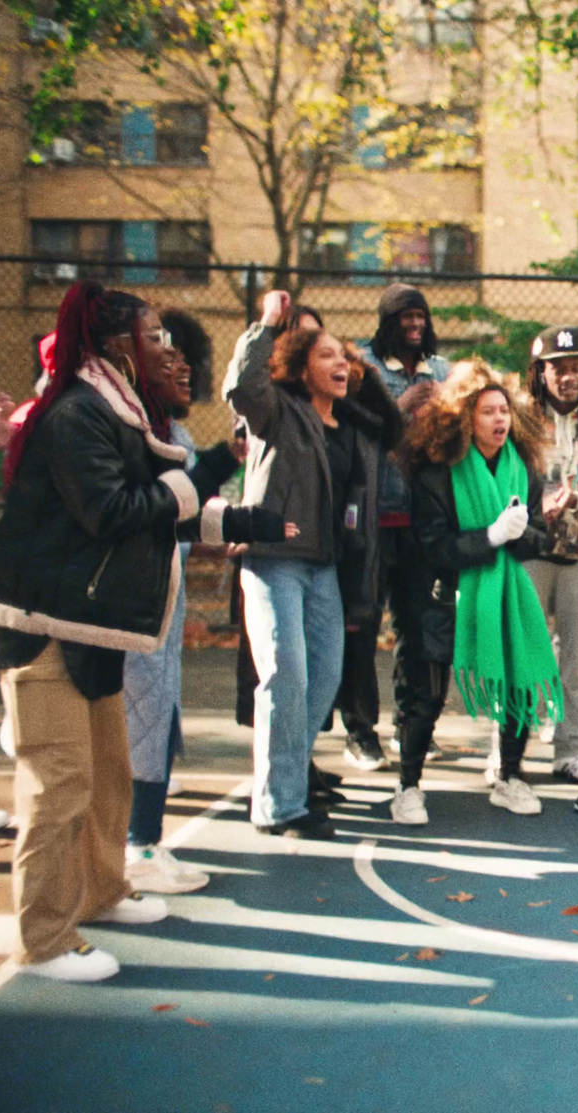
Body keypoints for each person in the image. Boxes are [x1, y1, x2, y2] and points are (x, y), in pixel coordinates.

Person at [0, 284, 209, 981]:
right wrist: (180, 497)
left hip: (91, 627)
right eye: (155, 336)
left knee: (109, 776)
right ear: (119, 345)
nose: (167, 349)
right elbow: (109, 509)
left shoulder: (116, 410)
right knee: (56, 785)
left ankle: (100, 891)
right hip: (45, 625)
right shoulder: (76, 414)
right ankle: (45, 937)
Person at [224, 290, 398, 839]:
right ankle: (279, 805)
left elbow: (391, 429)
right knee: (285, 678)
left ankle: (289, 782)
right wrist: (266, 325)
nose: (340, 364)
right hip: (274, 563)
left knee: (322, 680)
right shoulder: (277, 411)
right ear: (300, 368)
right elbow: (239, 386)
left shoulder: (348, 426)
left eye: (342, 356)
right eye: (326, 356)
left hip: (324, 567)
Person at [122, 309, 281, 893]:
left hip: (162, 601)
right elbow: (164, 506)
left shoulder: (173, 433)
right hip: (129, 608)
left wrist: (244, 524)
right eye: (166, 350)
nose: (183, 364)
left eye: (187, 353)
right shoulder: (134, 432)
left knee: (156, 718)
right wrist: (221, 464)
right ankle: (136, 845)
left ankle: (144, 840)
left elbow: (187, 517)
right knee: (139, 722)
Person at [396, 362, 558, 822]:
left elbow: (538, 538)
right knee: (424, 695)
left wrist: (523, 531)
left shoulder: (523, 470)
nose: (498, 419)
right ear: (465, 417)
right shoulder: (436, 473)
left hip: (505, 594)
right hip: (441, 595)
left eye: (503, 410)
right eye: (487, 411)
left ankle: (509, 776)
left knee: (518, 683)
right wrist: (489, 535)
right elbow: (432, 547)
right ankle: (408, 786)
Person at [344, 284, 451, 772]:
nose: (415, 327)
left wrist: (442, 415)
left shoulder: (442, 371)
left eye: (421, 319)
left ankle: (413, 726)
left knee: (418, 626)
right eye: (406, 319)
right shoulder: (363, 367)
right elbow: (355, 432)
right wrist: (403, 403)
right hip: (372, 515)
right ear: (388, 322)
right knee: (363, 626)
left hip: (424, 520)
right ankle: (361, 732)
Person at [506, 324, 578, 787]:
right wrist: (533, 508)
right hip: (532, 548)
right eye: (559, 368)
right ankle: (507, 754)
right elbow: (498, 474)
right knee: (522, 655)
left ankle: (570, 751)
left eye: (577, 367)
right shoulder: (520, 416)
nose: (569, 376)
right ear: (540, 372)